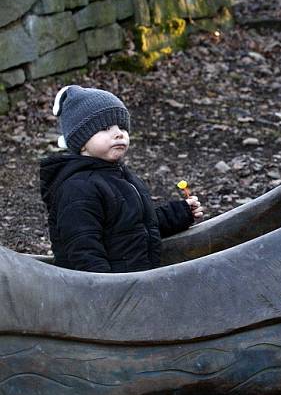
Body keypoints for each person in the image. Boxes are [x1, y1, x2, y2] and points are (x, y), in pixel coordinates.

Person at [39, 85, 204, 272]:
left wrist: (179, 213)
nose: (119, 133)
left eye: (122, 127)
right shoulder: (78, 188)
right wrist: (106, 288)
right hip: (105, 291)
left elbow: (137, 225)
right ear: (81, 141)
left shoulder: (121, 176)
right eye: (105, 128)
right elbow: (82, 248)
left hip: (134, 281)